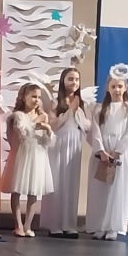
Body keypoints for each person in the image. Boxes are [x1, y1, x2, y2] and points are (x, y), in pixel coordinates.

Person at [85, 64, 128, 241]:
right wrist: (101, 150)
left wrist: (116, 152)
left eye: (120, 86)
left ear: (126, 88)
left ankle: (113, 226)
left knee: (117, 189)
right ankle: (99, 225)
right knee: (100, 189)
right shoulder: (100, 109)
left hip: (118, 152)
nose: (116, 90)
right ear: (107, 88)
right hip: (102, 152)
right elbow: (95, 130)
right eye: (113, 86)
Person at [41, 67, 90, 238]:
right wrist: (70, 111)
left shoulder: (81, 104)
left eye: (76, 79)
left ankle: (69, 224)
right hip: (59, 144)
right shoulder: (55, 103)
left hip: (75, 144)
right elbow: (52, 125)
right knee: (57, 182)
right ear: (63, 80)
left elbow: (86, 126)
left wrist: (78, 112)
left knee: (71, 184)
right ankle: (54, 224)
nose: (74, 82)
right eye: (70, 79)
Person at [1, 83, 55, 237]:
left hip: (38, 156)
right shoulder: (18, 116)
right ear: (24, 98)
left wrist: (48, 129)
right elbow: (22, 134)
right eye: (33, 96)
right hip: (22, 156)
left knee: (34, 191)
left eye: (38, 97)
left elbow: (48, 142)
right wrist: (36, 122)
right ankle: (18, 224)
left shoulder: (43, 116)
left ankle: (28, 225)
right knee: (17, 189)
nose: (36, 100)